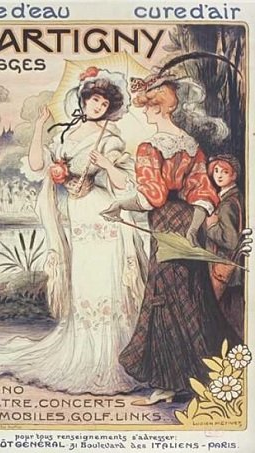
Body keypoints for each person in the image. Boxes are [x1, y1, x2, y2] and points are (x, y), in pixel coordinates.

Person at [0, 67, 149, 395]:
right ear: (84, 100)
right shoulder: (65, 133)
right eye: (93, 100)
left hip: (104, 213)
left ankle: (115, 358)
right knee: (85, 280)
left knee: (107, 280)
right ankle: (84, 352)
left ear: (110, 107)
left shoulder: (112, 138)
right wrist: (40, 131)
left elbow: (124, 184)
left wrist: (104, 167)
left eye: (103, 103)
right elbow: (38, 166)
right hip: (76, 215)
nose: (96, 107)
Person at [101, 72, 240, 405]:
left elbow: (151, 196)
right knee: (193, 295)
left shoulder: (150, 148)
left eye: (148, 108)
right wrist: (193, 228)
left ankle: (169, 382)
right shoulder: (193, 146)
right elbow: (202, 193)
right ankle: (204, 376)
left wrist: (119, 204)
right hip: (185, 223)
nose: (145, 114)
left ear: (160, 108)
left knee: (163, 297)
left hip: (163, 222)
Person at [205, 154, 244, 340]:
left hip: (226, 270)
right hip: (233, 270)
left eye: (225, 171)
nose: (219, 175)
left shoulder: (227, 204)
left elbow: (230, 241)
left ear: (234, 175)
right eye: (216, 171)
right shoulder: (236, 197)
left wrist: (211, 226)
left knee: (228, 318)